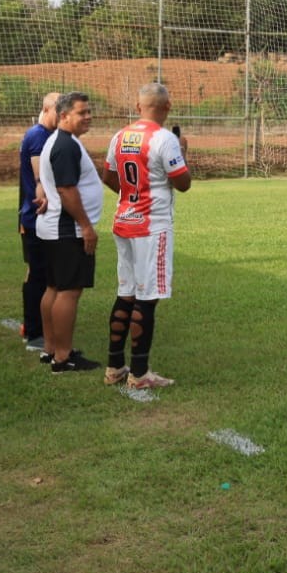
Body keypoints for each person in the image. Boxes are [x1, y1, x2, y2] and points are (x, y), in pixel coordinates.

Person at [101, 82, 191, 390]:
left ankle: (114, 367)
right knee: (147, 298)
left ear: (138, 107)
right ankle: (139, 374)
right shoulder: (166, 139)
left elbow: (109, 176)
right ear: (167, 107)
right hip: (152, 226)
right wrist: (184, 154)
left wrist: (132, 197)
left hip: (124, 221)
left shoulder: (120, 135)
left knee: (125, 293)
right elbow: (183, 183)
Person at [35, 91, 103, 373]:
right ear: (64, 116)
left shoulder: (63, 141)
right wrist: (86, 226)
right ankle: (63, 357)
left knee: (54, 287)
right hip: (67, 231)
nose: (88, 117)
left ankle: (51, 349)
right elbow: (66, 189)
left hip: (54, 229)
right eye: (81, 112)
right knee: (69, 291)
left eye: (89, 111)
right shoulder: (65, 145)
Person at [16, 91, 60, 352]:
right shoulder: (37, 136)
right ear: (47, 109)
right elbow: (39, 179)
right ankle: (33, 332)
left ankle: (34, 326)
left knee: (39, 273)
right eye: (60, 111)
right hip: (36, 217)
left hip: (36, 216)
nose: (63, 116)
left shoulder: (45, 136)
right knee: (38, 274)